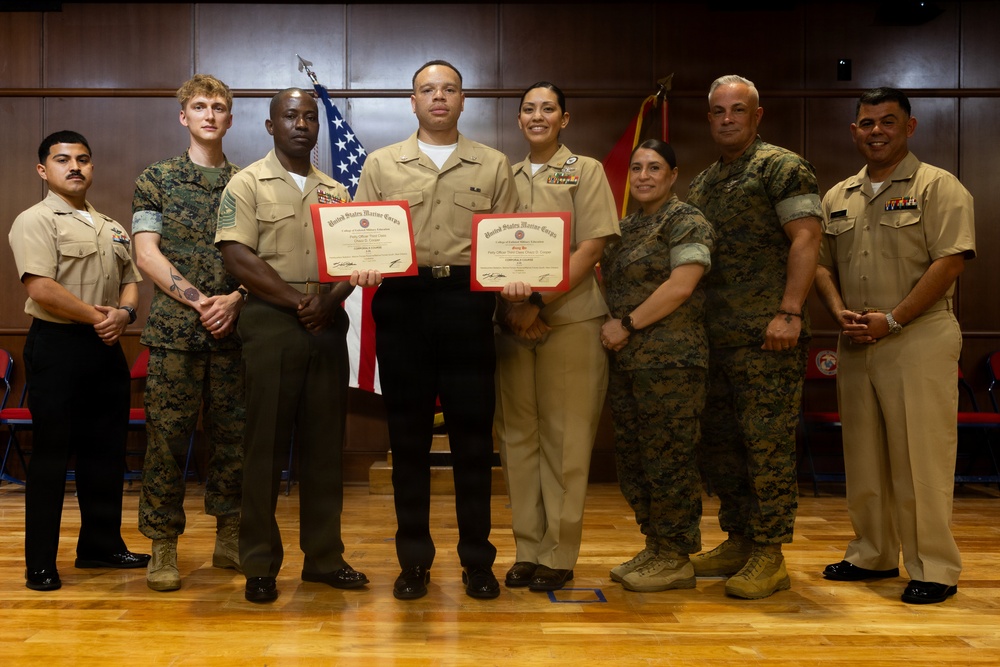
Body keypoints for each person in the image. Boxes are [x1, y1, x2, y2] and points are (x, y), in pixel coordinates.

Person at [355, 60, 518, 601]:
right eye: (428, 90)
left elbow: (512, 238)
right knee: (409, 441)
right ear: (414, 101)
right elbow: (361, 236)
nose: (439, 97)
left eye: (449, 89)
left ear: (463, 100)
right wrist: (363, 262)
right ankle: (414, 562)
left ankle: (477, 561)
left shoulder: (493, 165)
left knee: (474, 441)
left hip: (468, 301)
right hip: (403, 304)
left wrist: (517, 280)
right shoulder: (381, 164)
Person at [215, 88, 379, 603]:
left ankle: (325, 558)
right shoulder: (246, 184)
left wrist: (329, 303)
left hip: (326, 324)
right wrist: (297, 301)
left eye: (309, 116)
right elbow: (236, 256)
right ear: (270, 126)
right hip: (271, 324)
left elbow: (359, 254)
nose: (301, 124)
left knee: (325, 449)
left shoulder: (336, 191)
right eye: (290, 116)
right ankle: (260, 563)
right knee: (264, 448)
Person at [814, 87, 975, 605]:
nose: (876, 131)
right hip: (858, 338)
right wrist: (838, 309)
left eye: (887, 121)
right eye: (866, 122)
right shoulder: (837, 195)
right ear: (854, 130)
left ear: (910, 127)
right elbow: (819, 264)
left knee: (920, 459)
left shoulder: (938, 187)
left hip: (918, 336)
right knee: (863, 456)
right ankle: (873, 553)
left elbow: (949, 262)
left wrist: (894, 319)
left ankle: (934, 567)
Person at [686, 75, 823, 599]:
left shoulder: (782, 167)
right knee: (722, 446)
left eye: (737, 110)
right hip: (715, 338)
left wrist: (789, 312)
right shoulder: (702, 183)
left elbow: (806, 238)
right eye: (718, 111)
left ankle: (770, 553)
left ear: (757, 115)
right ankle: (740, 538)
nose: (727, 119)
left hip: (770, 338)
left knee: (766, 446)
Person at [8, 131, 150, 591]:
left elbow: (132, 279)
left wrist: (125, 314)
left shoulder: (110, 225)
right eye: (63, 159)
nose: (75, 167)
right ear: (42, 170)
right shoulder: (35, 220)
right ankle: (40, 564)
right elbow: (40, 287)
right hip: (58, 347)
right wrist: (99, 317)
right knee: (51, 456)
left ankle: (100, 547)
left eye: (83, 159)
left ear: (92, 167)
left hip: (105, 347)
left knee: (105, 454)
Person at [494, 82, 619, 592]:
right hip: (511, 324)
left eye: (548, 109)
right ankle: (527, 547)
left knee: (566, 441)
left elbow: (590, 249)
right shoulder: (504, 173)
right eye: (529, 109)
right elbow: (489, 250)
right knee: (517, 438)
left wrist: (536, 304)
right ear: (519, 120)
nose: (538, 116)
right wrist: (512, 309)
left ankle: (559, 551)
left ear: (564, 119)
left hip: (569, 321)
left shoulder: (584, 171)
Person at [131, 74, 246, 592]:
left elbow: (261, 258)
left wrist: (236, 299)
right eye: (199, 106)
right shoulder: (156, 178)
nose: (209, 115)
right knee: (167, 443)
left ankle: (231, 534)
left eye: (219, 107)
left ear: (229, 117)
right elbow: (146, 252)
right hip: (176, 334)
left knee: (234, 441)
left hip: (236, 332)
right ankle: (163, 546)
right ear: (184, 116)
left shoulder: (248, 182)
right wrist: (202, 302)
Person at [601, 140, 715, 592]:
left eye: (655, 168)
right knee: (636, 459)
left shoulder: (686, 220)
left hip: (672, 361)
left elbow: (682, 285)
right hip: (629, 365)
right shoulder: (625, 227)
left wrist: (626, 324)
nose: (644, 175)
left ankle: (677, 554)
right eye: (637, 168)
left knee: (670, 459)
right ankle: (655, 544)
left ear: (672, 175)